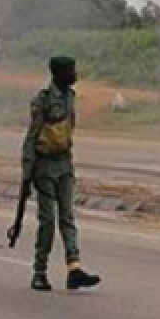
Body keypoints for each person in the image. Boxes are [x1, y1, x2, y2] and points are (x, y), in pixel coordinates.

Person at [21, 55, 100, 292]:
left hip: (64, 164)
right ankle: (39, 272)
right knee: (47, 221)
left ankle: (74, 268)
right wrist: (27, 173)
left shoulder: (70, 97)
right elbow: (32, 137)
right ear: (58, 73)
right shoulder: (43, 100)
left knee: (67, 217)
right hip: (44, 167)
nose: (74, 74)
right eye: (70, 70)